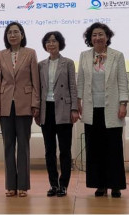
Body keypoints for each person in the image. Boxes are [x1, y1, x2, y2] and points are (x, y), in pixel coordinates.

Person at [77, 22, 128, 198]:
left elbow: (122, 81)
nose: (97, 38)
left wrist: (123, 103)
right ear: (90, 39)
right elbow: (81, 81)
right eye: (94, 35)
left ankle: (115, 185)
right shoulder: (84, 56)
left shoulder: (117, 56)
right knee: (94, 148)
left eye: (101, 34)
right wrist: (78, 102)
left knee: (113, 148)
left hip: (112, 108)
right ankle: (100, 185)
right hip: (91, 109)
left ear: (107, 37)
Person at [0, 22, 39, 197]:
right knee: (8, 145)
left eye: (16, 32)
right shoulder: (1, 55)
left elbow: (35, 81)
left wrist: (35, 103)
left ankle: (23, 186)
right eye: (9, 32)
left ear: (22, 34)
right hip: (5, 104)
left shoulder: (30, 53)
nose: (12, 35)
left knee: (23, 146)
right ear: (6, 36)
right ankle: (10, 185)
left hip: (25, 104)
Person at [37, 31, 78, 197]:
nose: (51, 44)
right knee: (49, 150)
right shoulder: (40, 65)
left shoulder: (68, 63)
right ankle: (53, 184)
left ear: (60, 43)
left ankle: (64, 185)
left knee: (65, 150)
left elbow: (73, 87)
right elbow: (38, 89)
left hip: (63, 109)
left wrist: (74, 108)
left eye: (54, 41)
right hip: (46, 109)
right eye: (48, 41)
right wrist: (37, 110)